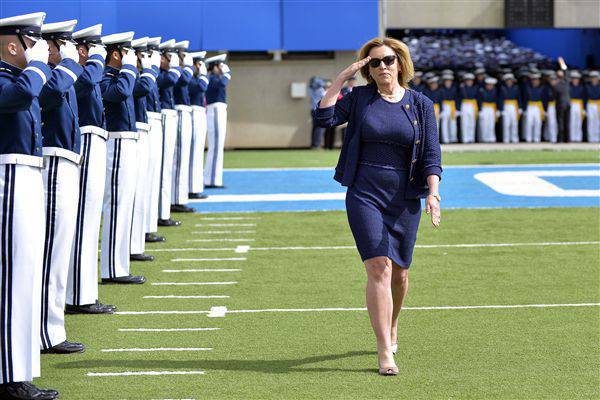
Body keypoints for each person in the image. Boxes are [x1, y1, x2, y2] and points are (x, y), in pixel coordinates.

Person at [316, 37, 442, 376]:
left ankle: (393, 323)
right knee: (379, 267)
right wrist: (343, 78)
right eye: (374, 62)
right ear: (368, 69)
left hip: (405, 197)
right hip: (364, 192)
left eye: (387, 60)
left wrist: (433, 193)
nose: (382, 66)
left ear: (400, 62)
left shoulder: (420, 105)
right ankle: (384, 350)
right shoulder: (359, 98)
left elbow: (431, 155)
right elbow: (323, 118)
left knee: (400, 273)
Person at [0, 11, 59, 400]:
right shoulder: (10, 80)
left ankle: (18, 371)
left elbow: (48, 94)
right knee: (10, 279)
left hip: (26, 175)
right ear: (12, 45)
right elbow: (20, 96)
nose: (38, 51)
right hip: (6, 178)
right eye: (32, 43)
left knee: (25, 275)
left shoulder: (26, 78)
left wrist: (44, 67)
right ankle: (7, 377)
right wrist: (37, 67)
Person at [38, 19, 86, 355]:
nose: (68, 51)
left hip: (65, 160)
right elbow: (52, 94)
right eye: (60, 45)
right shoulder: (48, 76)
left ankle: (50, 327)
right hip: (52, 163)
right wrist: (66, 61)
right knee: (51, 251)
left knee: (59, 250)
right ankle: (46, 331)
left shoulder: (61, 74)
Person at [67, 23, 116, 314]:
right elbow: (87, 83)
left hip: (94, 137)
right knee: (84, 220)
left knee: (89, 219)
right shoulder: (81, 73)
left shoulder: (88, 72)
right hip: (84, 139)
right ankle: (79, 295)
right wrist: (97, 59)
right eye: (91, 49)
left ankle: (83, 292)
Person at [99, 31, 146, 284]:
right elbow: (121, 92)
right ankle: (112, 270)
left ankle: (118, 265)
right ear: (116, 54)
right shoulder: (107, 78)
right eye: (127, 53)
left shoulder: (120, 76)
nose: (132, 59)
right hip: (115, 142)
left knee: (124, 202)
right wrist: (128, 67)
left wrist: (129, 68)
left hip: (127, 139)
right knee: (116, 204)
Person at [130, 37, 158, 262]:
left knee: (144, 187)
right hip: (131, 133)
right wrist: (149, 68)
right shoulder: (128, 76)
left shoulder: (131, 75)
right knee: (132, 193)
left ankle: (138, 239)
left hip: (141, 129)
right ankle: (132, 243)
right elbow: (145, 87)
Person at [157, 39, 183, 226]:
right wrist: (176, 66)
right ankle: (161, 213)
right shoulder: (156, 73)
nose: (172, 61)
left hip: (168, 115)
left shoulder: (162, 73)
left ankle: (163, 210)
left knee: (167, 165)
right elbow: (174, 79)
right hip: (163, 116)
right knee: (163, 167)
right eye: (169, 57)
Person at [144, 37, 167, 241]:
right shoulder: (141, 74)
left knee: (154, 174)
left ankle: (149, 224)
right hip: (145, 123)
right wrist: (150, 68)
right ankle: (145, 227)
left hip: (153, 121)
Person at [171, 40, 195, 212]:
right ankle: (177, 199)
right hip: (177, 111)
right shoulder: (176, 72)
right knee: (179, 157)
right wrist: (187, 65)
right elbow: (186, 78)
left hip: (183, 111)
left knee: (183, 156)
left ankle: (179, 196)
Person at [204, 54, 231, 188]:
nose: (221, 68)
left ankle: (212, 178)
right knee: (216, 146)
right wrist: (227, 73)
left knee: (217, 146)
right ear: (213, 67)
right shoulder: (212, 78)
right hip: (215, 110)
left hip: (218, 109)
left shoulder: (214, 77)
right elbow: (223, 83)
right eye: (219, 65)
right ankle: (212, 180)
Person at [188, 51, 210, 199]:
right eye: (199, 64)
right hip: (194, 113)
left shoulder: (194, 78)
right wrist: (203, 75)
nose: (201, 67)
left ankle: (196, 186)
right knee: (194, 152)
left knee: (198, 152)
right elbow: (201, 87)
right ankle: (192, 188)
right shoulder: (190, 78)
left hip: (200, 112)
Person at [522, 73, 545, 142]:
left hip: (538, 106)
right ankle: (528, 138)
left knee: (538, 123)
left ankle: (537, 138)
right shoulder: (527, 88)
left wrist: (544, 109)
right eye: (534, 80)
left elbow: (544, 99)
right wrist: (524, 108)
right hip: (530, 106)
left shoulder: (542, 88)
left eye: (537, 80)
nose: (535, 81)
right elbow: (525, 98)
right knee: (529, 123)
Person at [499, 73, 521, 143]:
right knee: (506, 123)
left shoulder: (516, 88)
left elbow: (519, 98)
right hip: (506, 106)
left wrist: (520, 107)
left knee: (514, 123)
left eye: (510, 80)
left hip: (514, 106)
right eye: (507, 80)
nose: (509, 82)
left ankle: (514, 138)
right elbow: (500, 99)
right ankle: (506, 139)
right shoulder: (502, 88)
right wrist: (501, 109)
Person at [476, 77, 499, 143]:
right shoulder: (482, 90)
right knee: (484, 124)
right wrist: (480, 110)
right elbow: (479, 100)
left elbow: (496, 100)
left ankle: (491, 138)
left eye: (492, 85)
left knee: (491, 124)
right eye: (489, 84)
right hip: (484, 108)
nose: (490, 86)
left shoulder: (494, 90)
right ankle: (484, 138)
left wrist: (497, 110)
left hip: (492, 108)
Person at [458, 73, 478, 143]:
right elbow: (458, 98)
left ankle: (471, 138)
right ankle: (465, 139)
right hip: (464, 105)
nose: (469, 82)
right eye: (468, 80)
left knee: (472, 123)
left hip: (472, 105)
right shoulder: (462, 88)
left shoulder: (475, 87)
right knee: (465, 123)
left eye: (470, 80)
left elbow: (477, 97)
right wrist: (458, 109)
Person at [439, 73, 458, 143]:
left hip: (452, 106)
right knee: (445, 123)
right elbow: (440, 99)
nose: (448, 82)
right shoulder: (441, 89)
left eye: (449, 81)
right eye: (447, 81)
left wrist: (457, 108)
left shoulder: (454, 89)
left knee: (453, 123)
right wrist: (441, 109)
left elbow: (456, 98)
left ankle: (453, 138)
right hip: (444, 105)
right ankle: (446, 139)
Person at [569, 71, 586, 142]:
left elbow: (585, 98)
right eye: (573, 78)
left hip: (579, 104)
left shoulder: (582, 87)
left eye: (576, 78)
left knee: (579, 122)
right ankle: (572, 138)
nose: (575, 80)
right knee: (571, 122)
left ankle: (578, 138)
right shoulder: (569, 87)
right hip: (571, 104)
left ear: (579, 79)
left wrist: (584, 108)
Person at [309, 76, 326, 148]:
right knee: (320, 127)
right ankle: (317, 144)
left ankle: (313, 144)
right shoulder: (320, 90)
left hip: (313, 110)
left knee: (315, 127)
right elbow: (326, 97)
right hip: (319, 110)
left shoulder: (311, 89)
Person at [544, 73, 559, 143]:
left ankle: (556, 137)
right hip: (550, 106)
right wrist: (545, 109)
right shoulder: (547, 88)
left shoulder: (559, 87)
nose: (553, 81)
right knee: (551, 122)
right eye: (551, 80)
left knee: (557, 123)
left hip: (558, 105)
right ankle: (552, 138)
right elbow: (545, 99)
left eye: (554, 80)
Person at [586, 71, 599, 142]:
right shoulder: (587, 86)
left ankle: (597, 138)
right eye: (593, 78)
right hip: (590, 104)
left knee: (597, 122)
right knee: (591, 121)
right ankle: (591, 138)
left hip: (598, 104)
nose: (594, 79)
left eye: (595, 77)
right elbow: (585, 97)